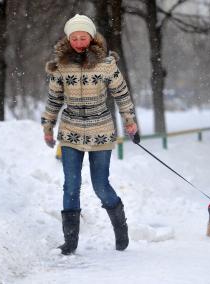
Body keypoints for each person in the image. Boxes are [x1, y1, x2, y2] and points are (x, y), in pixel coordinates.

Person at [41, 14, 138, 254]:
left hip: (101, 130)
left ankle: (121, 229)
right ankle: (70, 242)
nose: (78, 41)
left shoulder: (106, 65)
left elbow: (122, 94)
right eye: (74, 37)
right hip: (71, 130)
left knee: (100, 185)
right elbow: (54, 99)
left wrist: (130, 121)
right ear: (68, 39)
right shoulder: (61, 67)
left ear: (91, 37)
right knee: (71, 185)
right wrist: (47, 126)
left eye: (83, 37)